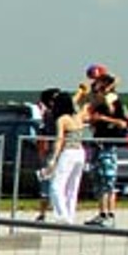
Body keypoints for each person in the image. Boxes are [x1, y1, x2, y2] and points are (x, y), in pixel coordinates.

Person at [83, 65, 124, 227]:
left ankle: (110, 214)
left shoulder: (114, 101)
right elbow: (90, 114)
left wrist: (104, 119)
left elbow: (121, 123)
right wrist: (93, 119)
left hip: (108, 145)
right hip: (98, 144)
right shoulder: (97, 102)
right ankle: (101, 213)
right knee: (98, 181)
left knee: (109, 180)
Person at [40, 88, 86, 224]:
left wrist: (53, 158)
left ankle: (62, 215)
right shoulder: (78, 117)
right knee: (73, 187)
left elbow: (59, 139)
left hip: (68, 152)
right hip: (80, 152)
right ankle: (70, 215)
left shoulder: (62, 119)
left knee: (56, 186)